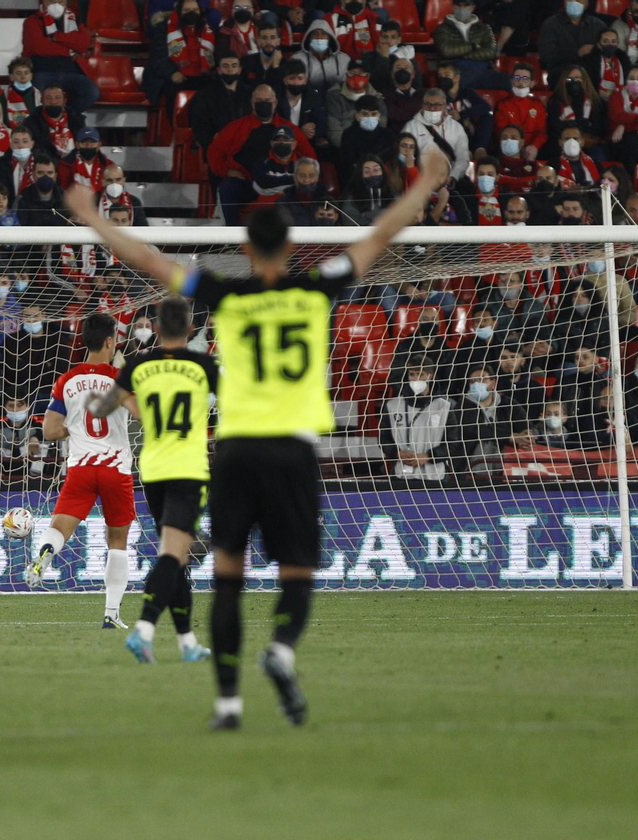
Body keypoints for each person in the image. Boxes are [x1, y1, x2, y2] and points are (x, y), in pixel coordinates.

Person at [64, 144, 449, 728]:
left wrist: (93, 219)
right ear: (290, 248)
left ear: (245, 251)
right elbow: (375, 238)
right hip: (292, 449)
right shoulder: (315, 289)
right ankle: (282, 650)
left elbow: (148, 259)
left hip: (236, 451)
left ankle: (227, 704)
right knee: (296, 574)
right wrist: (422, 190)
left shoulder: (226, 294)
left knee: (226, 580)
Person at [83, 295, 216, 664]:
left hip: (152, 469)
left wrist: (111, 399)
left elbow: (102, 408)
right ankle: (144, 631)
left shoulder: (138, 365)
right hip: (188, 467)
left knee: (179, 557)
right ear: (190, 329)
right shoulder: (204, 364)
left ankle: (188, 642)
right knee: (174, 555)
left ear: (155, 329)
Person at [23, 310, 135, 629]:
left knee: (60, 527)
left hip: (81, 467)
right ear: (110, 341)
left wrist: (76, 428)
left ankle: (44, 553)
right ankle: (111, 614)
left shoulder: (67, 380)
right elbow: (141, 413)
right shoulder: (119, 378)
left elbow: (49, 431)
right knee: (117, 543)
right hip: (115, 467)